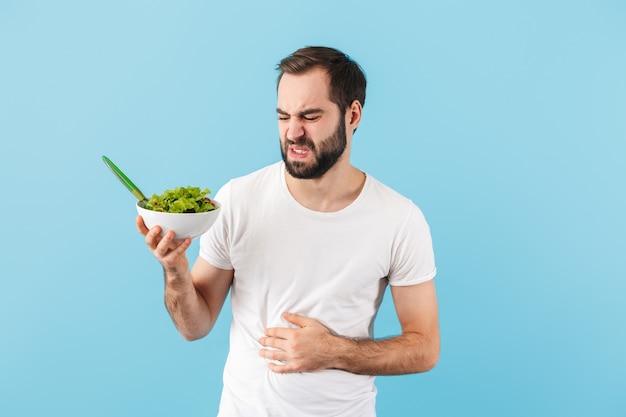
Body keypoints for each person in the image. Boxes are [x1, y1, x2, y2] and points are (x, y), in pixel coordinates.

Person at [137, 46, 440, 417]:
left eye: (310, 116)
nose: (293, 133)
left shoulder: (399, 219)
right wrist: (175, 272)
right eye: (284, 117)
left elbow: (424, 347)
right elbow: (193, 327)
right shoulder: (237, 200)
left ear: (353, 115)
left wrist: (335, 351)